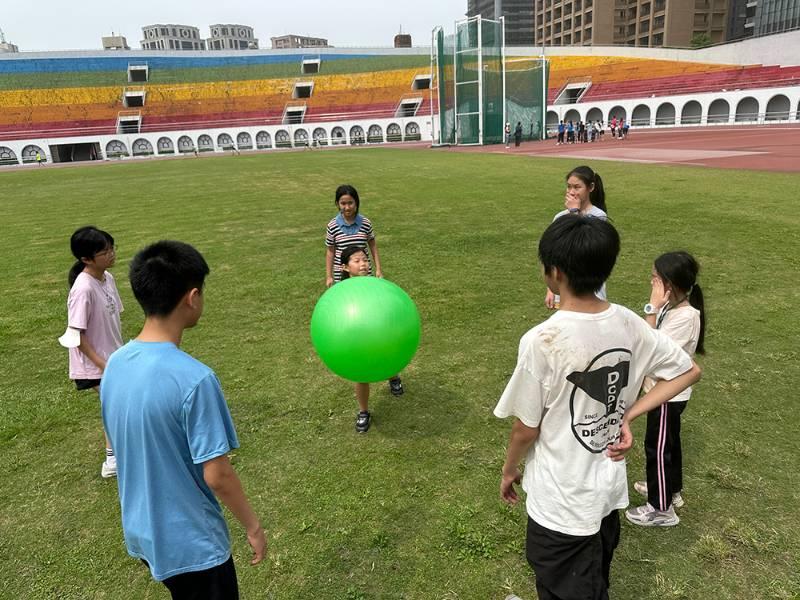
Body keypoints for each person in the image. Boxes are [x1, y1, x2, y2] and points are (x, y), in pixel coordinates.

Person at [495, 216, 701, 600]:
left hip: (563, 506)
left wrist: (509, 470)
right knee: (586, 578)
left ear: (554, 273)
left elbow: (526, 428)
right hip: (605, 496)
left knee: (573, 585)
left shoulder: (542, 340)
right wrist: (629, 412)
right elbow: (689, 371)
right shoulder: (629, 322)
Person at [101, 240, 266, 598]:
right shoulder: (196, 380)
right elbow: (217, 474)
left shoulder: (116, 363)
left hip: (144, 531)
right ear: (192, 298)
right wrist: (253, 527)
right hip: (193, 546)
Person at [626, 251, 706, 527]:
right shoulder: (674, 310)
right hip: (665, 392)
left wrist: (651, 308)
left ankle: (661, 509)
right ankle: (669, 489)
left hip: (666, 395)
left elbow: (651, 348)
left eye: (655, 279)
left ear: (669, 285)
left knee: (657, 448)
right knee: (669, 443)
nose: (651, 284)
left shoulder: (686, 317)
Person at [59, 226, 123, 478]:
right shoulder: (82, 289)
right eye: (104, 252)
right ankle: (112, 460)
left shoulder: (108, 278)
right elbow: (76, 336)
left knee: (116, 405)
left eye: (111, 248)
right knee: (116, 405)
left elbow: (113, 318)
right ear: (86, 258)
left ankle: (116, 456)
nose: (111, 254)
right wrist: (103, 364)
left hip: (112, 358)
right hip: (93, 364)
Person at [338, 245, 405, 433]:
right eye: (357, 261)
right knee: (361, 375)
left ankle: (393, 376)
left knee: (388, 355)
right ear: (345, 267)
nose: (363, 264)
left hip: (380, 331)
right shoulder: (341, 291)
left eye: (365, 260)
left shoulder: (378, 285)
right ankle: (364, 412)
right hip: (357, 338)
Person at [545, 165, 609, 310]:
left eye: (577, 187)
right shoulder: (559, 217)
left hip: (590, 290)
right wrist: (550, 289)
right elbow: (553, 255)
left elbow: (582, 249)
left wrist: (574, 211)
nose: (572, 192)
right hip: (564, 288)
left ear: (590, 187)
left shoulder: (598, 216)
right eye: (569, 187)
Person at [325, 184, 383, 287]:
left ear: (356, 202)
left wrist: (378, 269)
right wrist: (329, 276)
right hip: (342, 275)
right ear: (337, 204)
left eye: (350, 203)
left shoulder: (365, 223)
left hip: (363, 272)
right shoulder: (332, 226)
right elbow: (330, 252)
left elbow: (373, 247)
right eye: (343, 203)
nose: (347, 207)